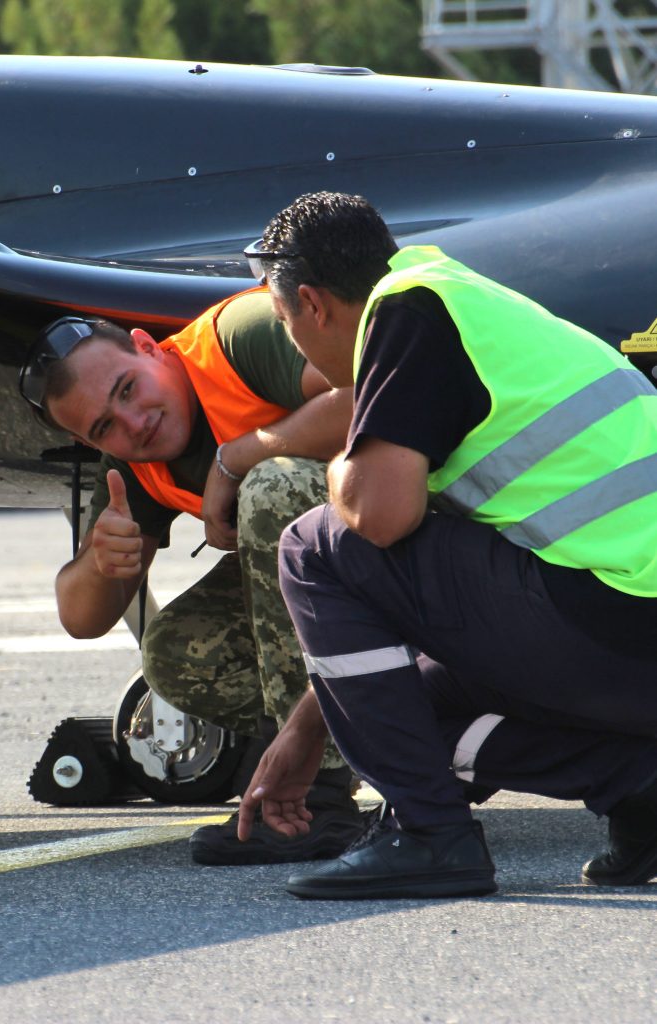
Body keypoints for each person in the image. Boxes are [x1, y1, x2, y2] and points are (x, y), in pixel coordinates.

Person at [237, 191, 657, 900]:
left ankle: (432, 837)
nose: (295, 345)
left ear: (311, 303)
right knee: (410, 708)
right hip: (624, 637)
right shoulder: (463, 298)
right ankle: (642, 789)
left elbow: (378, 517)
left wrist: (340, 463)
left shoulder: (407, 313)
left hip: (621, 622)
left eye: (283, 324)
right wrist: (307, 730)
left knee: (314, 545)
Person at [18, 286, 367, 864]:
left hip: (433, 536)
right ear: (86, 442)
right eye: (105, 427)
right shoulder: (133, 466)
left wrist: (237, 458)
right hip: (369, 589)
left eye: (128, 388)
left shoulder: (241, 337)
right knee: (178, 653)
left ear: (148, 347)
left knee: (271, 486)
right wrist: (105, 562)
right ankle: (383, 729)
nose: (134, 422)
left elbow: (377, 396)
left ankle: (317, 794)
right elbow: (81, 617)